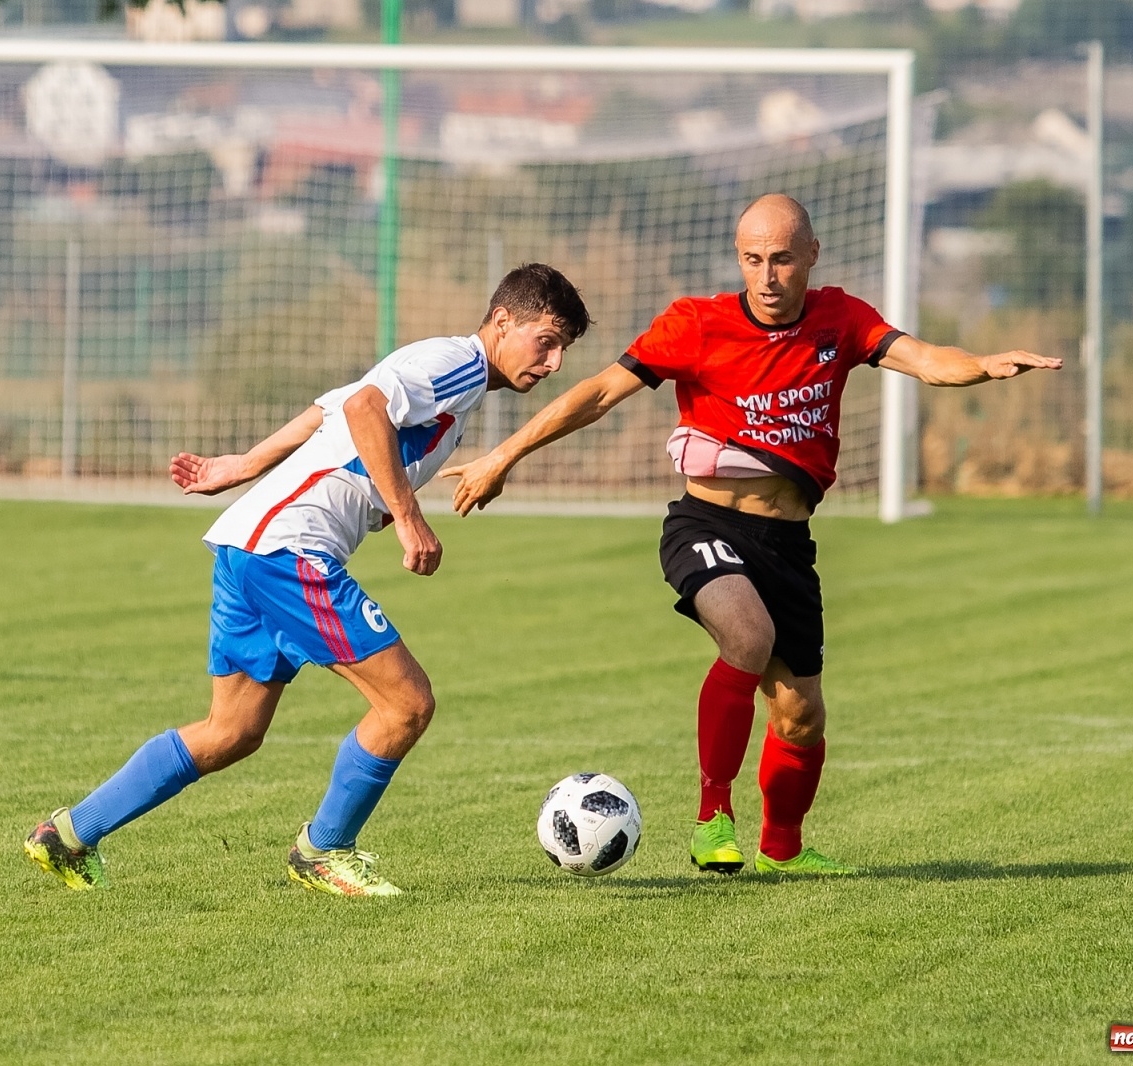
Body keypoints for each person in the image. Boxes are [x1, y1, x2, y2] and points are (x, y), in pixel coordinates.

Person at [445, 195, 1061, 876]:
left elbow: (924, 359)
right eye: (752, 259)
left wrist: (982, 363)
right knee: (746, 636)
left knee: (801, 717)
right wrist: (503, 456)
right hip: (706, 524)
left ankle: (783, 850)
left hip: (788, 545)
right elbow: (596, 394)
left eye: (781, 259)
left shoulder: (842, 319)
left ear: (811, 256)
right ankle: (714, 819)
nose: (766, 276)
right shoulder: (696, 325)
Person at [23, 263, 592, 897]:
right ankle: (324, 852)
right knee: (407, 703)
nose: (554, 361)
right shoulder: (458, 364)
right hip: (290, 552)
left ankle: (68, 835)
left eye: (564, 348)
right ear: (502, 321)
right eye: (547, 340)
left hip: (252, 545)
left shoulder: (452, 378)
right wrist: (408, 518)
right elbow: (362, 406)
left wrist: (240, 465)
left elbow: (328, 409)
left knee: (231, 732)